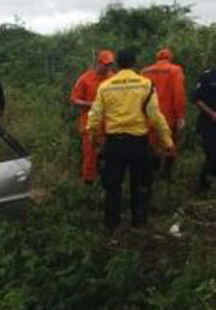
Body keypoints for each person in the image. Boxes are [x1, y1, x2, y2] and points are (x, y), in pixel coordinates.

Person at [87, 49, 174, 230]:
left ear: (117, 64)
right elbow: (156, 117)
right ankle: (138, 222)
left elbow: (94, 117)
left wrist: (94, 139)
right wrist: (167, 141)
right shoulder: (145, 84)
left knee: (112, 187)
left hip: (114, 144)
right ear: (135, 63)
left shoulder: (106, 86)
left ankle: (111, 224)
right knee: (140, 185)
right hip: (138, 144)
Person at [70, 50, 116, 184]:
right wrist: (91, 104)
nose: (108, 67)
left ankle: (107, 181)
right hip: (89, 123)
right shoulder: (85, 78)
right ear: (98, 63)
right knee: (89, 154)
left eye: (110, 64)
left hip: (109, 124)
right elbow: (74, 99)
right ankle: (88, 181)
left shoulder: (113, 78)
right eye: (106, 64)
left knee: (109, 155)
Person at [142, 48, 186, 177]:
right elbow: (179, 94)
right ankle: (166, 175)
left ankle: (150, 176)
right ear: (170, 58)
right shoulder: (175, 70)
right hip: (168, 116)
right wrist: (180, 116)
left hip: (149, 115)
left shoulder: (145, 71)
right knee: (170, 146)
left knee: (151, 145)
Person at [193, 68, 216, 190]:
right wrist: (212, 113)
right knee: (212, 155)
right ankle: (203, 184)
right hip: (209, 123)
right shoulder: (208, 76)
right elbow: (197, 99)